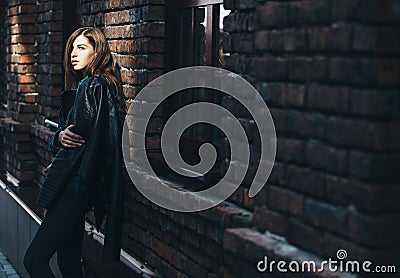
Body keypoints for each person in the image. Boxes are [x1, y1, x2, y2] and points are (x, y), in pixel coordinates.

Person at [23, 27, 125, 278]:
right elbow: (68, 137)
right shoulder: (104, 86)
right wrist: (57, 138)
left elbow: (77, 143)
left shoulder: (91, 86)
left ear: (97, 52)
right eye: (72, 48)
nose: (73, 53)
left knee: (34, 260)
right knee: (69, 263)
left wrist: (55, 178)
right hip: (82, 187)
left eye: (81, 48)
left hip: (73, 188)